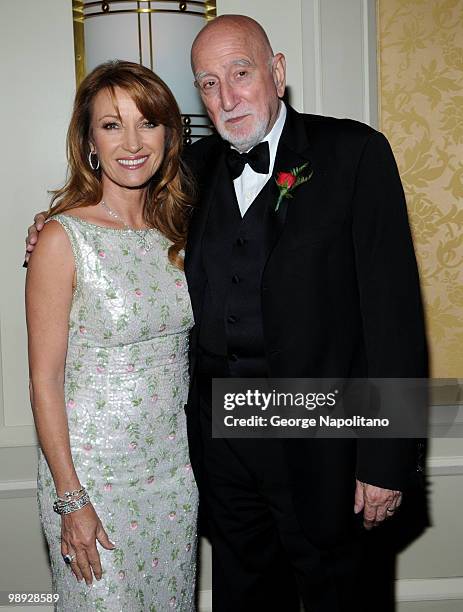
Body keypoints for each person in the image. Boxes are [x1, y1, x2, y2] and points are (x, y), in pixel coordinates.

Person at [26, 14, 428, 612]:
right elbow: (115, 206)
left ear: (278, 72)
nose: (227, 96)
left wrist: (388, 458)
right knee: (244, 595)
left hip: (326, 442)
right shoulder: (193, 172)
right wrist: (48, 229)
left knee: (340, 594)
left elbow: (394, 317)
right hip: (218, 452)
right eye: (208, 83)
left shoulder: (353, 153)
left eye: (240, 73)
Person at [25, 60, 198, 611]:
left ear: (169, 136)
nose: (131, 141)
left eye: (147, 123)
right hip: (92, 480)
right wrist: (71, 500)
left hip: (172, 480)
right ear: (89, 140)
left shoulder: (182, 232)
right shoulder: (61, 237)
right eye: (111, 124)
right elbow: (44, 380)